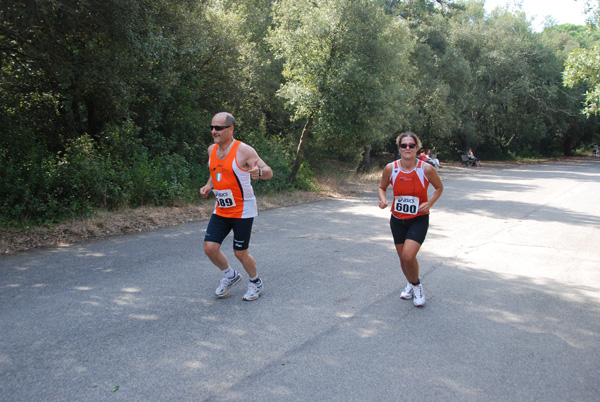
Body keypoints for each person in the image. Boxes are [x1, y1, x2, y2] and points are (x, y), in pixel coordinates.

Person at [199, 112, 273, 301]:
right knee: (210, 248)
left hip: (243, 209)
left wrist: (259, 172)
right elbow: (215, 171)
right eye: (212, 127)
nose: (214, 131)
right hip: (221, 208)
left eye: (218, 128)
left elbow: (268, 172)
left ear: (230, 129)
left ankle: (255, 282)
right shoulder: (211, 150)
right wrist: (209, 185)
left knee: (240, 252)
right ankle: (230, 276)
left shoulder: (244, 150)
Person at [378, 132, 444, 307]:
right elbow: (381, 187)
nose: (407, 148)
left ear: (417, 148)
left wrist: (429, 203)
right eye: (404, 145)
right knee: (402, 258)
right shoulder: (390, 168)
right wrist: (383, 199)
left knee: (408, 256)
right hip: (397, 219)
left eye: (411, 145)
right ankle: (410, 283)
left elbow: (439, 188)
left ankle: (417, 285)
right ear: (399, 148)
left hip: (418, 219)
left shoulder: (426, 168)